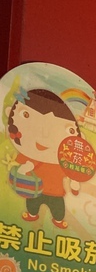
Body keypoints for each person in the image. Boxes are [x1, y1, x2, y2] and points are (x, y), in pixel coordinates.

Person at [6, 89, 82, 228]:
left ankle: (58, 220)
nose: (45, 135)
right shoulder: (30, 156)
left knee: (58, 209)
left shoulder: (62, 162)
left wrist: (74, 183)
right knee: (32, 204)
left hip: (56, 192)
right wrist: (24, 170)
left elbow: (71, 174)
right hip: (34, 188)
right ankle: (32, 214)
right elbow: (18, 167)